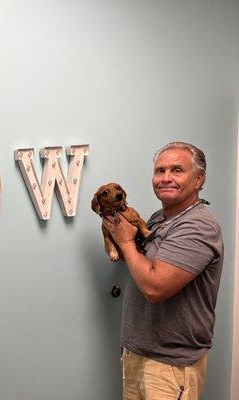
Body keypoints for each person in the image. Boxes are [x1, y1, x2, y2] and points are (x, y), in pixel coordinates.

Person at [102, 142, 223, 400]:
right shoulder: (159, 218)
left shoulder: (199, 227)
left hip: (171, 364)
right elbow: (141, 265)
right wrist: (117, 241)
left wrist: (124, 242)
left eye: (177, 170)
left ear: (199, 178)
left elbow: (155, 287)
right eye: (160, 171)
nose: (165, 178)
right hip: (137, 352)